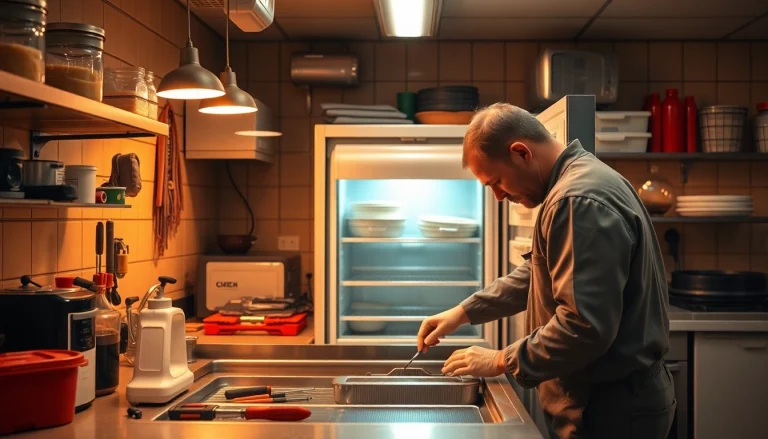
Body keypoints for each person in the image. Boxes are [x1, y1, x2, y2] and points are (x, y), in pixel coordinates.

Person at [416, 103, 675, 439]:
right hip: (605, 401)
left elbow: (584, 327)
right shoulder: (580, 181)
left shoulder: (576, 200)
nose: (498, 196)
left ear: (521, 152)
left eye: (496, 182)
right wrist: (464, 312)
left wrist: (500, 360)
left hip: (609, 410)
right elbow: (538, 273)